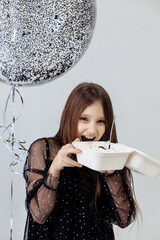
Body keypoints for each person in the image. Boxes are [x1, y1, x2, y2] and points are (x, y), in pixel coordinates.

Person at [23, 82, 140, 240]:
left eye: (101, 121)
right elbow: (38, 214)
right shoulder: (44, 149)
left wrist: (112, 175)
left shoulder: (109, 156)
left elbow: (124, 219)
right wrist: (55, 169)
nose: (92, 130)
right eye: (84, 119)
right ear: (68, 116)